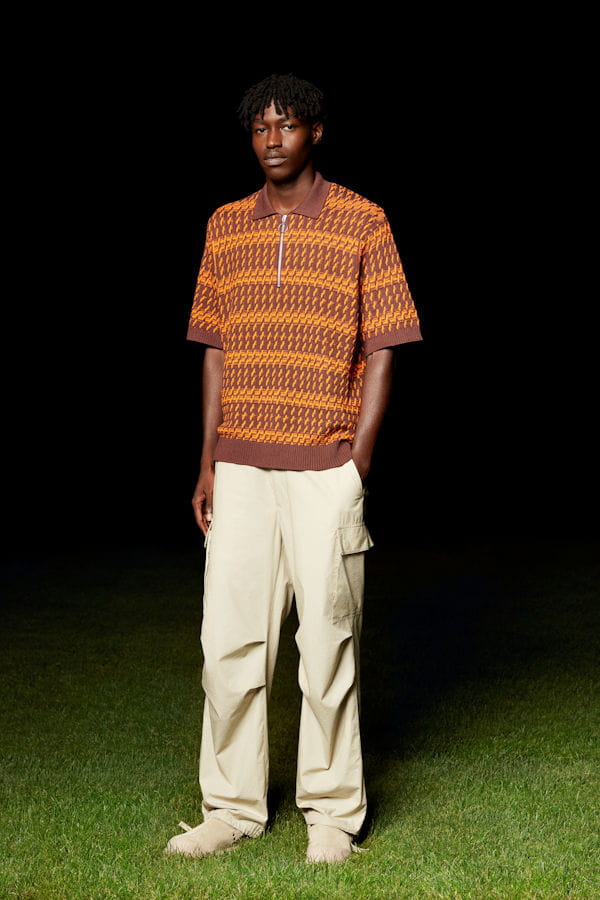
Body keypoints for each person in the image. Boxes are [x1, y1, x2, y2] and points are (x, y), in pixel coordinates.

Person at [165, 73, 422, 864]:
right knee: (228, 645)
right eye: (260, 128)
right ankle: (231, 809)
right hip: (240, 466)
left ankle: (333, 815)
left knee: (328, 645)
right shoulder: (225, 225)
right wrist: (208, 461)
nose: (272, 138)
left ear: (316, 132)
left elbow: (385, 344)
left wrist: (356, 462)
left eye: (287, 124)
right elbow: (213, 349)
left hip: (323, 468)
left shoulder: (362, 220)